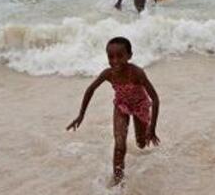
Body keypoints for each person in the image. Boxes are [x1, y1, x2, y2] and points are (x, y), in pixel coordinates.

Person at [67, 37, 160, 185]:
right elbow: (90, 89)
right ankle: (118, 181)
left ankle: (143, 134)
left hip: (140, 105)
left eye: (120, 56)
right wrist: (81, 115)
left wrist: (152, 128)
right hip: (121, 105)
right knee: (119, 146)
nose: (115, 60)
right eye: (111, 57)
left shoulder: (137, 73)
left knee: (141, 144)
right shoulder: (108, 74)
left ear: (129, 56)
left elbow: (155, 98)